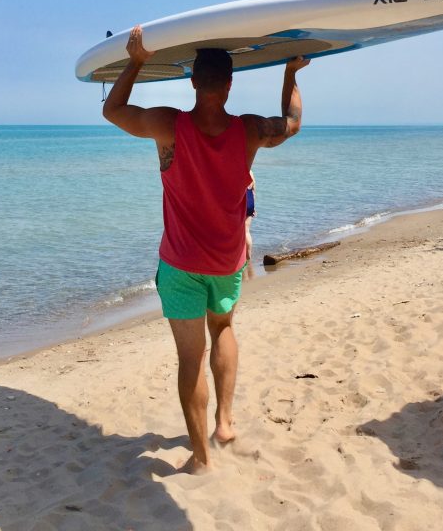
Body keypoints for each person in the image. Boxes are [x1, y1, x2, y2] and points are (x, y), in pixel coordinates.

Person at [102, 25, 308, 474]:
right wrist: (291, 74)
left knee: (190, 357)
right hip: (226, 261)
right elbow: (291, 124)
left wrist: (136, 60)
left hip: (179, 264)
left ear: (192, 81)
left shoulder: (167, 125)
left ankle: (200, 457)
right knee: (224, 329)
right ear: (230, 84)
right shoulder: (250, 130)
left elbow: (113, 110)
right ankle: (225, 423)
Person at [245, 170, 256, 262]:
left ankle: (242, 259)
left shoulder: (237, 169)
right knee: (246, 232)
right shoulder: (251, 172)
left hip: (241, 200)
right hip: (250, 200)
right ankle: (248, 257)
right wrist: (253, 206)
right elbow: (253, 190)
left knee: (239, 233)